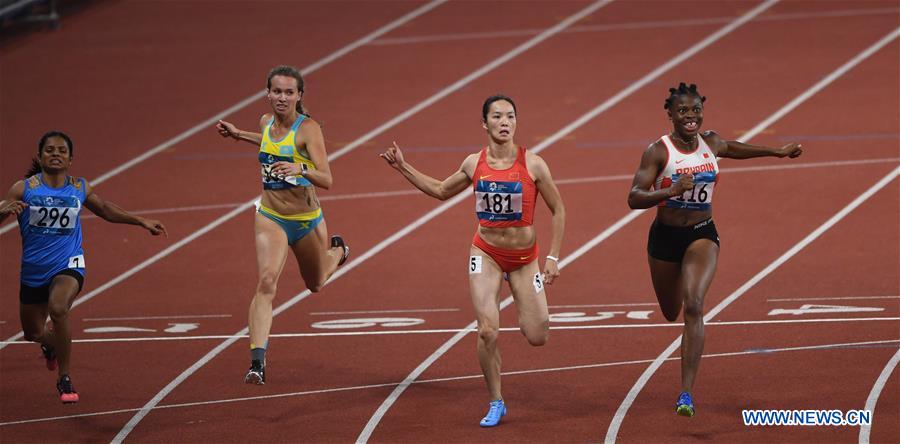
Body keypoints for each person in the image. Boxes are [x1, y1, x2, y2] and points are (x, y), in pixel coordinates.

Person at [380, 95, 565, 427]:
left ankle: (519, 288)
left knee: (538, 335)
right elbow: (439, 190)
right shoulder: (472, 163)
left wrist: (552, 256)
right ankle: (496, 400)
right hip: (487, 253)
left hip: (524, 259)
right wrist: (402, 167)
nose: (504, 122)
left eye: (510, 116)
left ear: (516, 122)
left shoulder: (534, 163)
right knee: (487, 331)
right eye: (497, 116)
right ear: (485, 123)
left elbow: (559, 209)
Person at [627, 82, 803, 417]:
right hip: (664, 238)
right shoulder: (658, 151)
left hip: (702, 234)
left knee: (694, 305)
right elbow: (634, 196)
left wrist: (775, 152)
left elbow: (732, 148)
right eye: (683, 111)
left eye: (695, 110)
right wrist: (671, 190)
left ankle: (686, 393)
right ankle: (677, 295)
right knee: (670, 311)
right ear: (670, 115)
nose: (690, 116)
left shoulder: (710, 141)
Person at [0, 131, 167, 403]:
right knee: (33, 332)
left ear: (70, 159)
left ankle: (64, 378)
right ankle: (51, 346)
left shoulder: (78, 187)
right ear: (40, 156)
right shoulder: (24, 188)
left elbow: (104, 208)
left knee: (57, 307)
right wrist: (6, 211)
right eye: (50, 150)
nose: (56, 154)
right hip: (33, 269)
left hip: (68, 264)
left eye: (62, 151)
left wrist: (139, 221)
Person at [216, 65, 350, 385]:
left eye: (289, 92)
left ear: (299, 96)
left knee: (315, 284)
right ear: (267, 93)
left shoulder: (309, 130)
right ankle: (257, 362)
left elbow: (327, 178)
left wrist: (300, 167)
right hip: (271, 216)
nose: (282, 97)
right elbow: (265, 141)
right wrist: (238, 135)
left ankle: (338, 251)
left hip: (305, 220)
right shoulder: (265, 123)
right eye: (277, 91)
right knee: (266, 282)